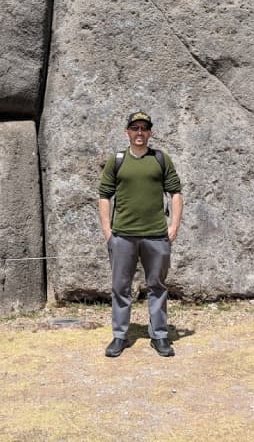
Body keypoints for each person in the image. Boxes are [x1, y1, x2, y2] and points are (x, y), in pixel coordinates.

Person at [98, 111, 183, 358]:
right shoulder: (118, 160)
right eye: (134, 128)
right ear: (127, 131)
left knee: (157, 286)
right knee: (120, 287)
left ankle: (159, 335)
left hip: (156, 236)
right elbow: (104, 195)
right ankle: (120, 336)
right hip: (123, 236)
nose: (139, 132)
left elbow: (175, 193)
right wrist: (107, 232)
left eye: (144, 128)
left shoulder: (160, 159)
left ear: (150, 133)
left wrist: (174, 226)